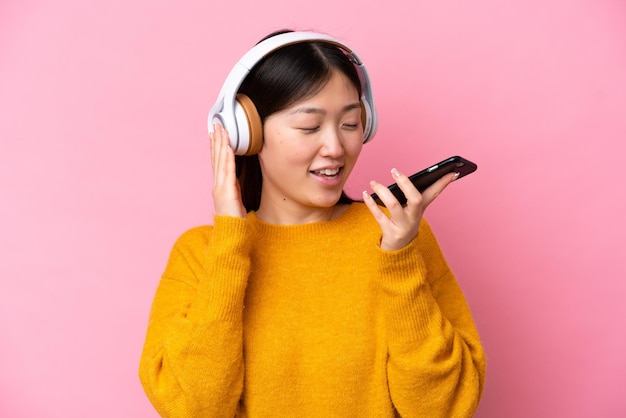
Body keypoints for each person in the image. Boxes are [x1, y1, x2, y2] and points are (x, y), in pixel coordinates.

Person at [138, 29, 486, 417]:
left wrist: (400, 262)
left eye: (351, 124)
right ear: (247, 133)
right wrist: (230, 247)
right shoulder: (200, 255)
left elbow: (445, 408)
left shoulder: (399, 238)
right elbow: (194, 409)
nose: (336, 148)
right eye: (309, 127)